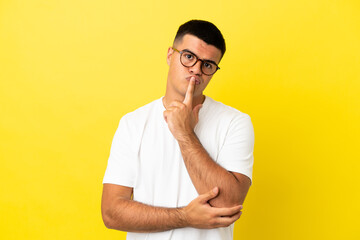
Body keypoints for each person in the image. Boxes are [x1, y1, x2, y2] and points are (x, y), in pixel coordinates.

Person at [101, 19, 254, 240]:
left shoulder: (235, 122)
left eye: (208, 65)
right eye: (189, 57)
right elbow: (111, 213)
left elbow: (228, 204)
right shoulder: (133, 123)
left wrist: (184, 133)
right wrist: (185, 216)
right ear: (170, 55)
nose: (196, 69)